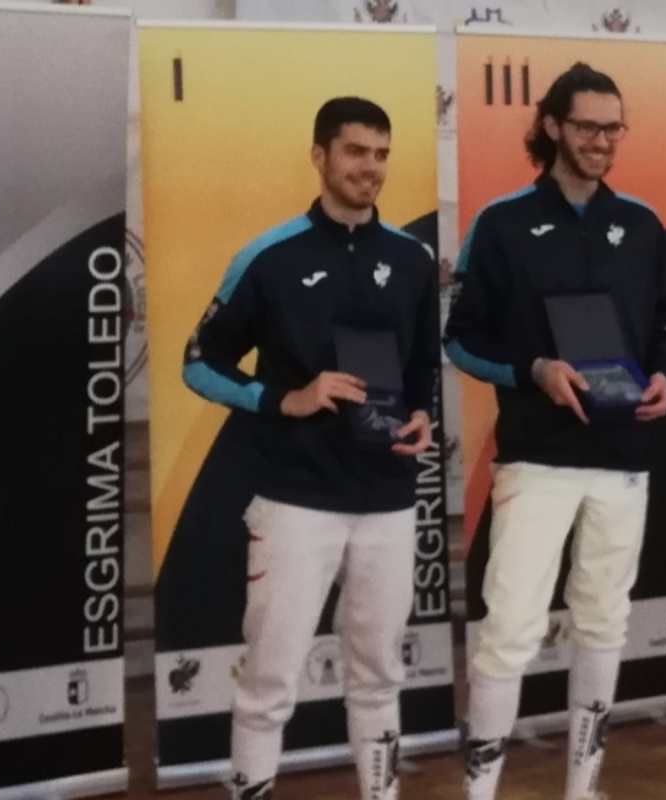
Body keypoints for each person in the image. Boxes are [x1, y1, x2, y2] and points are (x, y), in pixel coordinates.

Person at [183, 96, 438, 800]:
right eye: (356, 152)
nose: (371, 168)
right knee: (269, 681)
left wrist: (420, 415)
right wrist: (282, 398)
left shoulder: (412, 260)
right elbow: (198, 362)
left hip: (388, 501)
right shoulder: (268, 257)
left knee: (380, 676)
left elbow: (421, 371)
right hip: (296, 501)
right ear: (321, 155)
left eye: (382, 154)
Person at [443, 62, 666, 800]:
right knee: (509, 629)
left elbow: (661, 334)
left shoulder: (641, 226)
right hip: (537, 460)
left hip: (623, 459)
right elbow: (460, 339)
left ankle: (583, 787)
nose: (603, 141)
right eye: (587, 127)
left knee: (604, 623)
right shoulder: (504, 223)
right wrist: (534, 369)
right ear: (551, 127)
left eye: (613, 127)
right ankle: (481, 793)